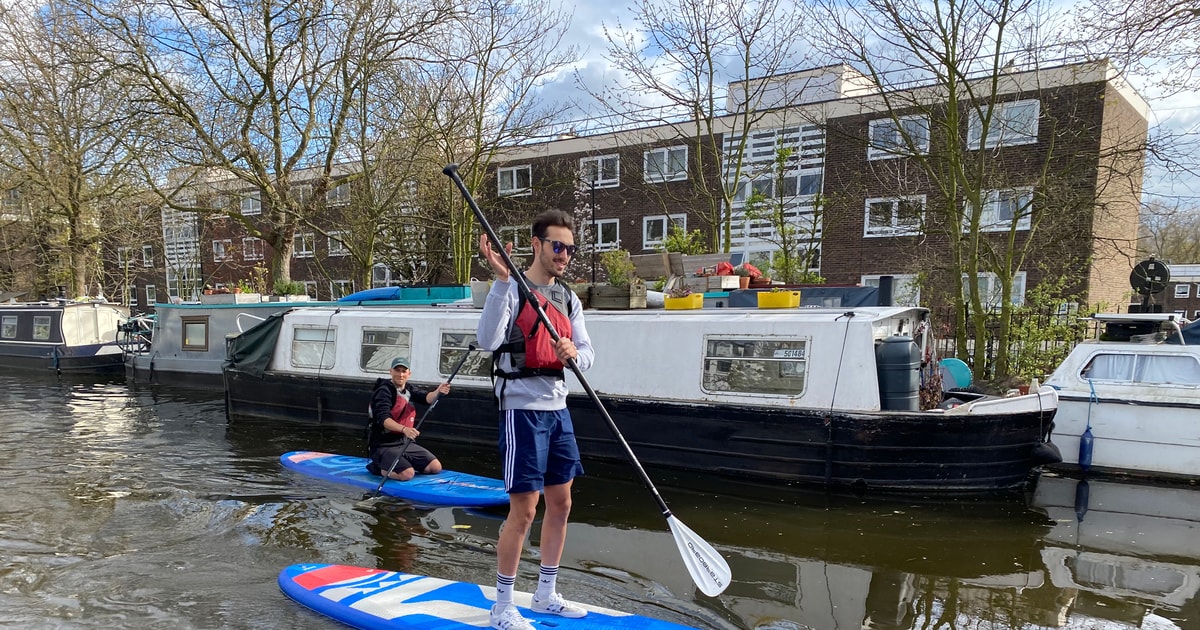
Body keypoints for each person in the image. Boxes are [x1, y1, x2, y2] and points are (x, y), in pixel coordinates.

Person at [476, 209, 593, 630]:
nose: (564, 255)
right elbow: (487, 341)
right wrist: (503, 281)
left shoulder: (569, 298)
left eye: (569, 248)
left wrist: (574, 355)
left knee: (561, 504)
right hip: (521, 412)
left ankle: (545, 594)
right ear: (537, 244)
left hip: (558, 411)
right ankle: (502, 606)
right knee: (524, 511)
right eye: (557, 246)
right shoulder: (511, 288)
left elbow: (588, 353)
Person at [367, 357, 451, 481]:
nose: (400, 374)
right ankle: (376, 468)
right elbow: (383, 419)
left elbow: (426, 398)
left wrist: (438, 391)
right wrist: (404, 429)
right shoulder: (383, 391)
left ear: (409, 374)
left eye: (403, 371)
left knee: (435, 467)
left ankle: (400, 463)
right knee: (407, 474)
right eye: (397, 371)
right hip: (383, 445)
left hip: (404, 443)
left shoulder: (409, 389)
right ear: (391, 372)